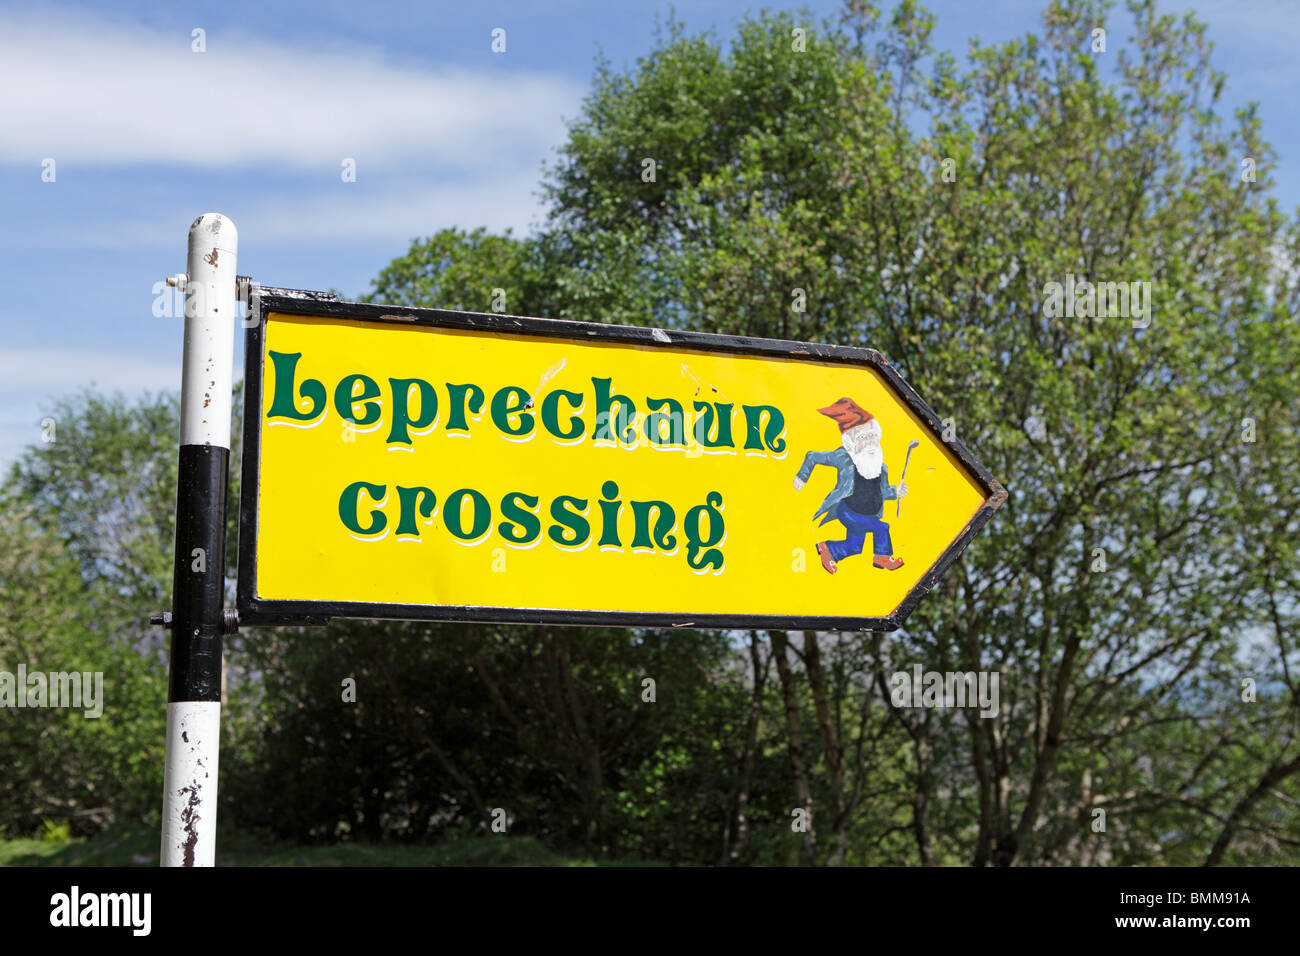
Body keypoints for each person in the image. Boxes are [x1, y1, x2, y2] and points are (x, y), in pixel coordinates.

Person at [793, 397, 907, 574]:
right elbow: (813, 456)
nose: (870, 442)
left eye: (872, 436)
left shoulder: (880, 466)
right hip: (849, 511)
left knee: (854, 547)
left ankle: (828, 550)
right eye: (863, 437)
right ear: (851, 441)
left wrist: (896, 491)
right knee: (881, 527)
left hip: (867, 513)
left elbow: (883, 492)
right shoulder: (844, 458)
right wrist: (802, 476)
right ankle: (882, 556)